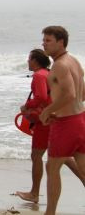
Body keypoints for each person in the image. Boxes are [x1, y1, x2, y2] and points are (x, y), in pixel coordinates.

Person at [16, 48, 85, 203]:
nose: (28, 61)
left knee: (37, 155)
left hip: (45, 120)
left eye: (29, 58)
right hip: (60, 118)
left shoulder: (39, 75)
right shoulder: (49, 72)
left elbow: (40, 96)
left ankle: (34, 194)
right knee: (64, 157)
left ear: (35, 61)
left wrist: (27, 106)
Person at [38, 26, 85, 215]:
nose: (44, 43)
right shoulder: (74, 61)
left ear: (61, 42)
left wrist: (47, 112)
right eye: (44, 40)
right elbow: (82, 94)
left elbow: (71, 94)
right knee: (82, 167)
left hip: (67, 124)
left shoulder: (59, 64)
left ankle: (50, 213)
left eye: (48, 40)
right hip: (81, 119)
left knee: (52, 167)